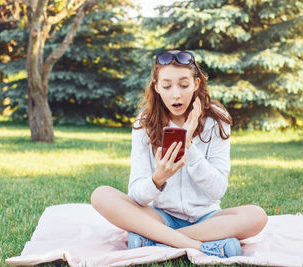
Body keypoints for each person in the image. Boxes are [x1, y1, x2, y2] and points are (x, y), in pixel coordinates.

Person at [91, 50, 268, 258]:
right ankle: (200, 247)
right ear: (156, 87)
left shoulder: (218, 121)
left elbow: (218, 189)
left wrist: (189, 146)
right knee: (101, 195)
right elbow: (136, 195)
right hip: (161, 216)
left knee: (257, 216)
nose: (176, 94)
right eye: (167, 86)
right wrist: (158, 179)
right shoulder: (144, 123)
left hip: (206, 219)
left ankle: (156, 240)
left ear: (196, 84)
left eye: (184, 85)